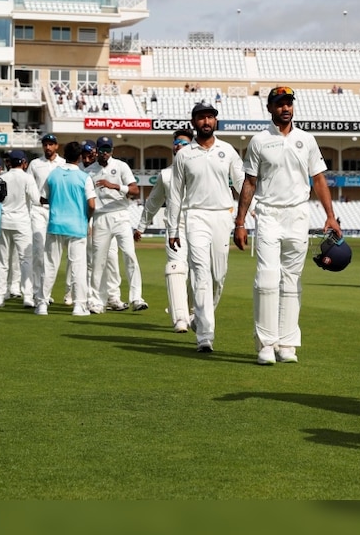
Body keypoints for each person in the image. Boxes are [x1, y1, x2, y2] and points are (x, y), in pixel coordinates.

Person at [234, 86, 340, 365]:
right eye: (279, 103)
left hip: (298, 215)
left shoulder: (306, 139)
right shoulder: (259, 141)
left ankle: (287, 343)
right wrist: (240, 221)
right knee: (268, 279)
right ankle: (266, 344)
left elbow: (318, 179)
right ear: (270, 109)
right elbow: (250, 182)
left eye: (289, 103)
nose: (285, 108)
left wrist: (330, 215)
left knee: (291, 281)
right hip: (268, 214)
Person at [167, 102, 244, 353]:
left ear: (216, 122)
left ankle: (200, 316)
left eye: (210, 117)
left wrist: (251, 211)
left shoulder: (228, 150)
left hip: (223, 215)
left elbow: (242, 184)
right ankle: (205, 335)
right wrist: (172, 230)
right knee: (200, 272)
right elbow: (176, 194)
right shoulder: (184, 154)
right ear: (194, 123)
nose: (206, 122)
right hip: (195, 216)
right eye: (201, 118)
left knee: (218, 276)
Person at [134, 126, 195, 331]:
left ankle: (194, 312)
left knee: (202, 272)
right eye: (176, 144)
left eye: (184, 144)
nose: (179, 147)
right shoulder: (166, 175)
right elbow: (153, 201)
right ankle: (180, 318)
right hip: (175, 229)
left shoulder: (202, 169)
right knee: (176, 268)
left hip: (200, 226)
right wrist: (141, 226)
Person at [87, 136, 146, 311]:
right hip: (100, 217)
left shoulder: (121, 166)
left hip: (120, 215)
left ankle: (137, 298)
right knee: (98, 260)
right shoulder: (89, 171)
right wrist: (87, 221)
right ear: (96, 150)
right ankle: (97, 301)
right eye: (102, 149)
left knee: (129, 255)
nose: (104, 153)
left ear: (112, 151)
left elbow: (135, 190)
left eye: (108, 150)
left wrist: (116, 186)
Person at [42, 141, 96, 316]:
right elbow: (92, 204)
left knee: (50, 265)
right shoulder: (84, 177)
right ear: (80, 157)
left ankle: (42, 304)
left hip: (56, 224)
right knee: (77, 267)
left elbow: (43, 199)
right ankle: (79, 305)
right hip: (77, 225)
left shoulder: (53, 175)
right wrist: (87, 219)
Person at [0, 149, 39, 307]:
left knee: (2, 260)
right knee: (25, 260)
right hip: (22, 222)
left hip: (5, 220)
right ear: (23, 163)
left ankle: (0, 296)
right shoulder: (27, 178)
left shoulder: (2, 178)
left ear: (9, 162)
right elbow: (36, 200)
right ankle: (27, 296)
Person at [27, 133, 65, 308]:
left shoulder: (63, 164)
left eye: (51, 144)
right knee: (38, 251)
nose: (48, 147)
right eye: (45, 144)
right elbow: (29, 187)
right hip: (38, 210)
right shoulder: (35, 164)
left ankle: (46, 292)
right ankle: (37, 292)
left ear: (56, 146)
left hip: (57, 211)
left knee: (53, 253)